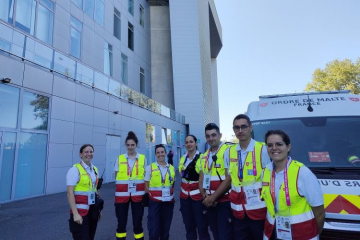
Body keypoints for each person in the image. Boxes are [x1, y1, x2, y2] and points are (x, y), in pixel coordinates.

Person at [261, 130, 325, 240]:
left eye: (279, 144)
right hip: (273, 232)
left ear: (288, 147)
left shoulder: (303, 173)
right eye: (270, 145)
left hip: (302, 234)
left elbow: (319, 212)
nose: (274, 148)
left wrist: (315, 235)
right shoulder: (265, 171)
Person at [224, 114, 271, 240]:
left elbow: (271, 179)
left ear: (251, 128)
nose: (240, 131)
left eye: (243, 127)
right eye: (236, 128)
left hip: (259, 210)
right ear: (233, 130)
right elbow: (228, 178)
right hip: (238, 211)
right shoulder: (229, 152)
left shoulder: (263, 150)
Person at [197, 123, 233, 240]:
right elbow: (201, 178)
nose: (211, 138)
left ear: (220, 135)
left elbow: (229, 179)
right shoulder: (205, 156)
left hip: (224, 201)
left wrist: (213, 198)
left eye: (213, 135)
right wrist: (205, 196)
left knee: (225, 235)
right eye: (208, 136)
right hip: (209, 201)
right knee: (215, 233)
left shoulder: (228, 151)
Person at [114, 131, 146, 240]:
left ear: (136, 145)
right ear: (125, 145)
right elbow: (116, 175)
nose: (130, 147)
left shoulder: (143, 158)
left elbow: (145, 176)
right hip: (121, 196)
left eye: (132, 145)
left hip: (138, 196)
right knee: (121, 222)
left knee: (138, 222)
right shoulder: (119, 158)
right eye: (128, 145)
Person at [179, 135, 210, 240]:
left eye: (191, 141)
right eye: (187, 142)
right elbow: (182, 176)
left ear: (196, 143)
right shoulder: (183, 158)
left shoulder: (203, 157)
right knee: (189, 227)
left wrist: (205, 194)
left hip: (198, 197)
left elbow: (205, 177)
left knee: (202, 227)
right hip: (184, 198)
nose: (189, 144)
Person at [66, 144, 101, 240]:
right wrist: (75, 213)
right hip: (80, 212)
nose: (89, 154)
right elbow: (70, 193)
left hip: (92, 210)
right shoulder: (74, 170)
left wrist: (98, 210)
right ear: (80, 154)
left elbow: (96, 189)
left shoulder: (94, 169)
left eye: (91, 152)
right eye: (86, 152)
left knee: (90, 237)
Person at [145, 144, 176, 240]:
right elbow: (146, 185)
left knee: (165, 230)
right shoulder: (150, 168)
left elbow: (173, 184)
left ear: (166, 153)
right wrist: (151, 197)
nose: (160, 154)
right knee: (153, 231)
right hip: (154, 202)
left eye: (162, 152)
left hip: (168, 202)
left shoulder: (171, 168)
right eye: (158, 153)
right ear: (155, 154)